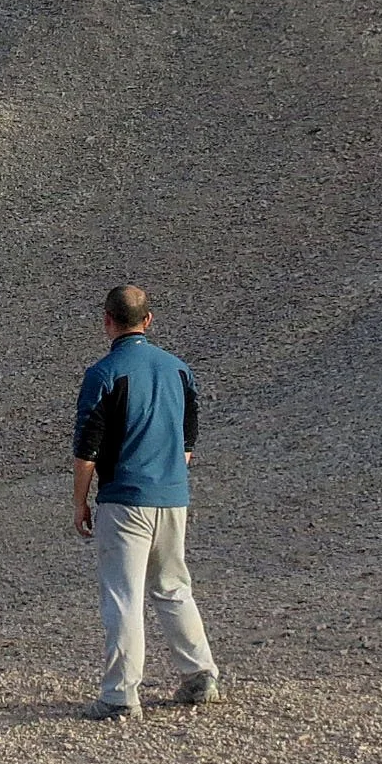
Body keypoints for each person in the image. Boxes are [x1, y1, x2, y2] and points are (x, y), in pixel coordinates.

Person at [71, 284, 224, 721]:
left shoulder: (104, 374)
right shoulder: (178, 369)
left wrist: (80, 502)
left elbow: (87, 450)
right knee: (174, 587)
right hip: (173, 496)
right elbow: (187, 441)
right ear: (149, 320)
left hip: (124, 500)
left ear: (107, 321)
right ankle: (200, 675)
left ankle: (120, 696)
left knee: (123, 595)